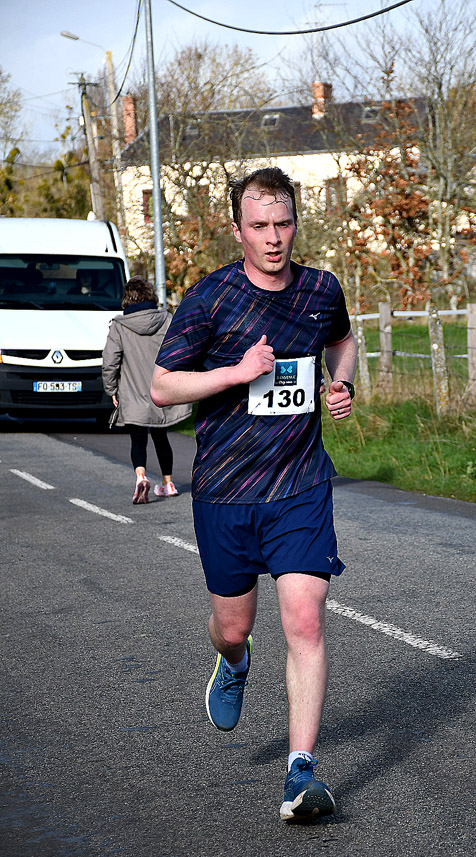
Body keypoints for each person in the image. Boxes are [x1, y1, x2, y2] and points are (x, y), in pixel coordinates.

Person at [150, 166, 356, 821]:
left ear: (296, 224)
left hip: (299, 484)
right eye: (259, 226)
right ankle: (234, 662)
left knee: (305, 619)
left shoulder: (321, 289)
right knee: (234, 626)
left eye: (283, 224)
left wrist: (341, 383)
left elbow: (342, 341)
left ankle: (301, 774)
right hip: (226, 492)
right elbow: (162, 386)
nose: (273, 238)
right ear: (237, 229)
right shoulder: (210, 299)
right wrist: (235, 373)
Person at [102, 277, 192, 503]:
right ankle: (167, 483)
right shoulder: (166, 319)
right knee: (161, 437)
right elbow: (180, 350)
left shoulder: (120, 326)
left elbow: (110, 361)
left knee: (138, 439)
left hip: (133, 393)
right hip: (161, 390)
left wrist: (111, 389)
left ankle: (140, 476)